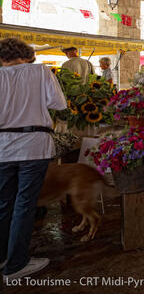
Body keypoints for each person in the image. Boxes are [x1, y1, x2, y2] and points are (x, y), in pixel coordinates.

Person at [0, 38, 67, 280]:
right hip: (33, 147)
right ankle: (16, 264)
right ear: (27, 55)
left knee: (3, 204)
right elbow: (59, 104)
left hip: (2, 149)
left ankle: (3, 257)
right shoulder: (40, 71)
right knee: (24, 204)